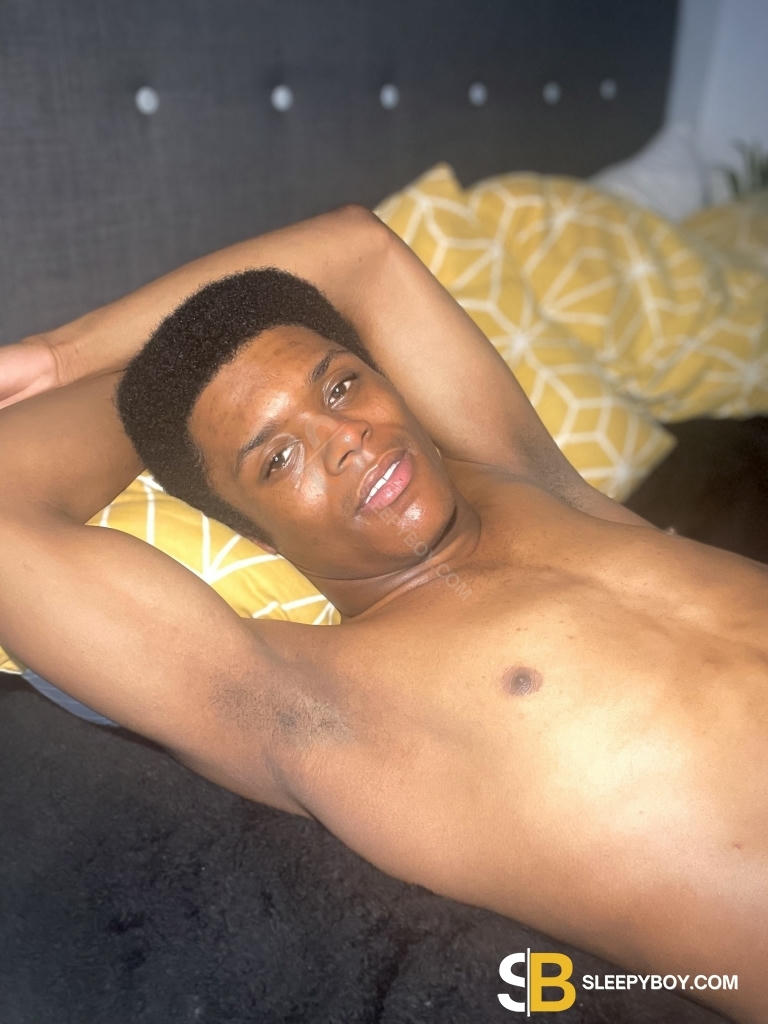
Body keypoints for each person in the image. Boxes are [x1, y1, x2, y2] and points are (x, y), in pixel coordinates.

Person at [0, 205, 765, 1023]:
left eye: (340, 385)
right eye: (278, 457)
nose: (346, 436)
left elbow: (360, 250)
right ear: (256, 533)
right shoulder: (314, 704)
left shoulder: (538, 485)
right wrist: (153, 389)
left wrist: (67, 351)